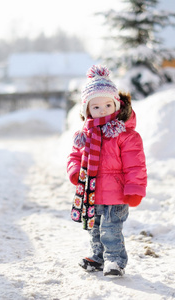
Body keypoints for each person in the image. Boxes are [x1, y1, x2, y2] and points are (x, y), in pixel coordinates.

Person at [67, 65, 147, 276]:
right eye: (96, 107)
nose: (102, 110)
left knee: (111, 230)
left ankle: (115, 260)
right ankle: (99, 257)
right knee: (94, 228)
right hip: (91, 192)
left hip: (116, 194)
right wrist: (75, 170)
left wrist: (135, 189)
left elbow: (135, 165)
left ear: (116, 105)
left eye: (107, 105)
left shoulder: (125, 135)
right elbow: (75, 155)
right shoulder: (85, 135)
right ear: (87, 111)